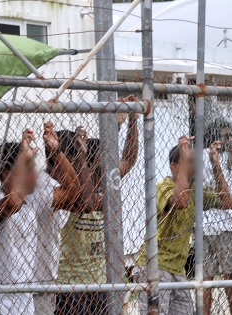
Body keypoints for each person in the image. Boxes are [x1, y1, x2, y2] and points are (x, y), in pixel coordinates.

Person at [136, 136, 232, 315]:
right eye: (189, 162)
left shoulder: (195, 190)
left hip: (178, 269)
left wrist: (216, 166)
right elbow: (180, 201)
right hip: (154, 267)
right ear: (176, 167)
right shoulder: (163, 186)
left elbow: (227, 201)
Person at [56, 100, 139, 315]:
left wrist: (133, 120)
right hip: (72, 284)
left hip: (101, 281)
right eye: (102, 162)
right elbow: (89, 199)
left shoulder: (104, 187)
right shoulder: (70, 191)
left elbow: (129, 159)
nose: (107, 168)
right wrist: (115, 127)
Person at [0, 122, 81, 315]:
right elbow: (12, 203)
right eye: (27, 168)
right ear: (7, 173)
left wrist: (56, 152)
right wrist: (23, 154)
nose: (35, 174)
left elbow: (74, 193)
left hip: (24, 303)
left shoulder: (33, 200)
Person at [201, 119, 232, 315]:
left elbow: (223, 184)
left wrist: (230, 163)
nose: (231, 139)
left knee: (207, 276)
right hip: (222, 225)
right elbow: (223, 195)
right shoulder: (207, 158)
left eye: (231, 135)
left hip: (205, 226)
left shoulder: (217, 157)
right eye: (227, 136)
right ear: (215, 138)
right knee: (231, 274)